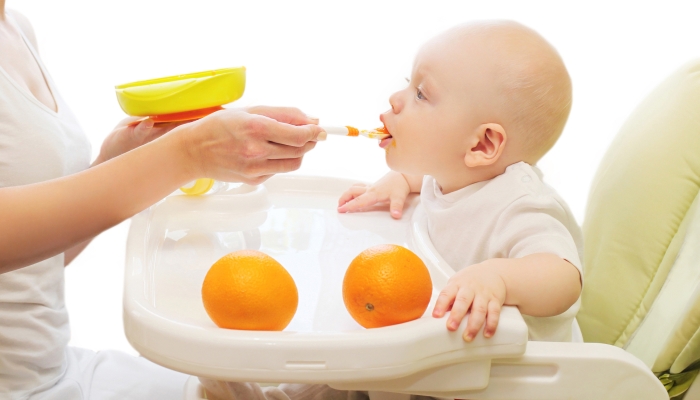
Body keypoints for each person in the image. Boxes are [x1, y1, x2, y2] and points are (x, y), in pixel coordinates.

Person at [201, 20, 583, 400]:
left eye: (421, 94)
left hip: (498, 382)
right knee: (345, 365)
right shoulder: (455, 173)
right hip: (442, 359)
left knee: (357, 374)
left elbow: (563, 277)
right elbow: (434, 183)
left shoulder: (519, 205)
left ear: (482, 145)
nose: (396, 100)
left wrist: (497, 279)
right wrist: (402, 181)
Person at [0, 5, 324, 400]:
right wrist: (184, 155)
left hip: (56, 371)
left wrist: (117, 159)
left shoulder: (15, 28)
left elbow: (31, 260)